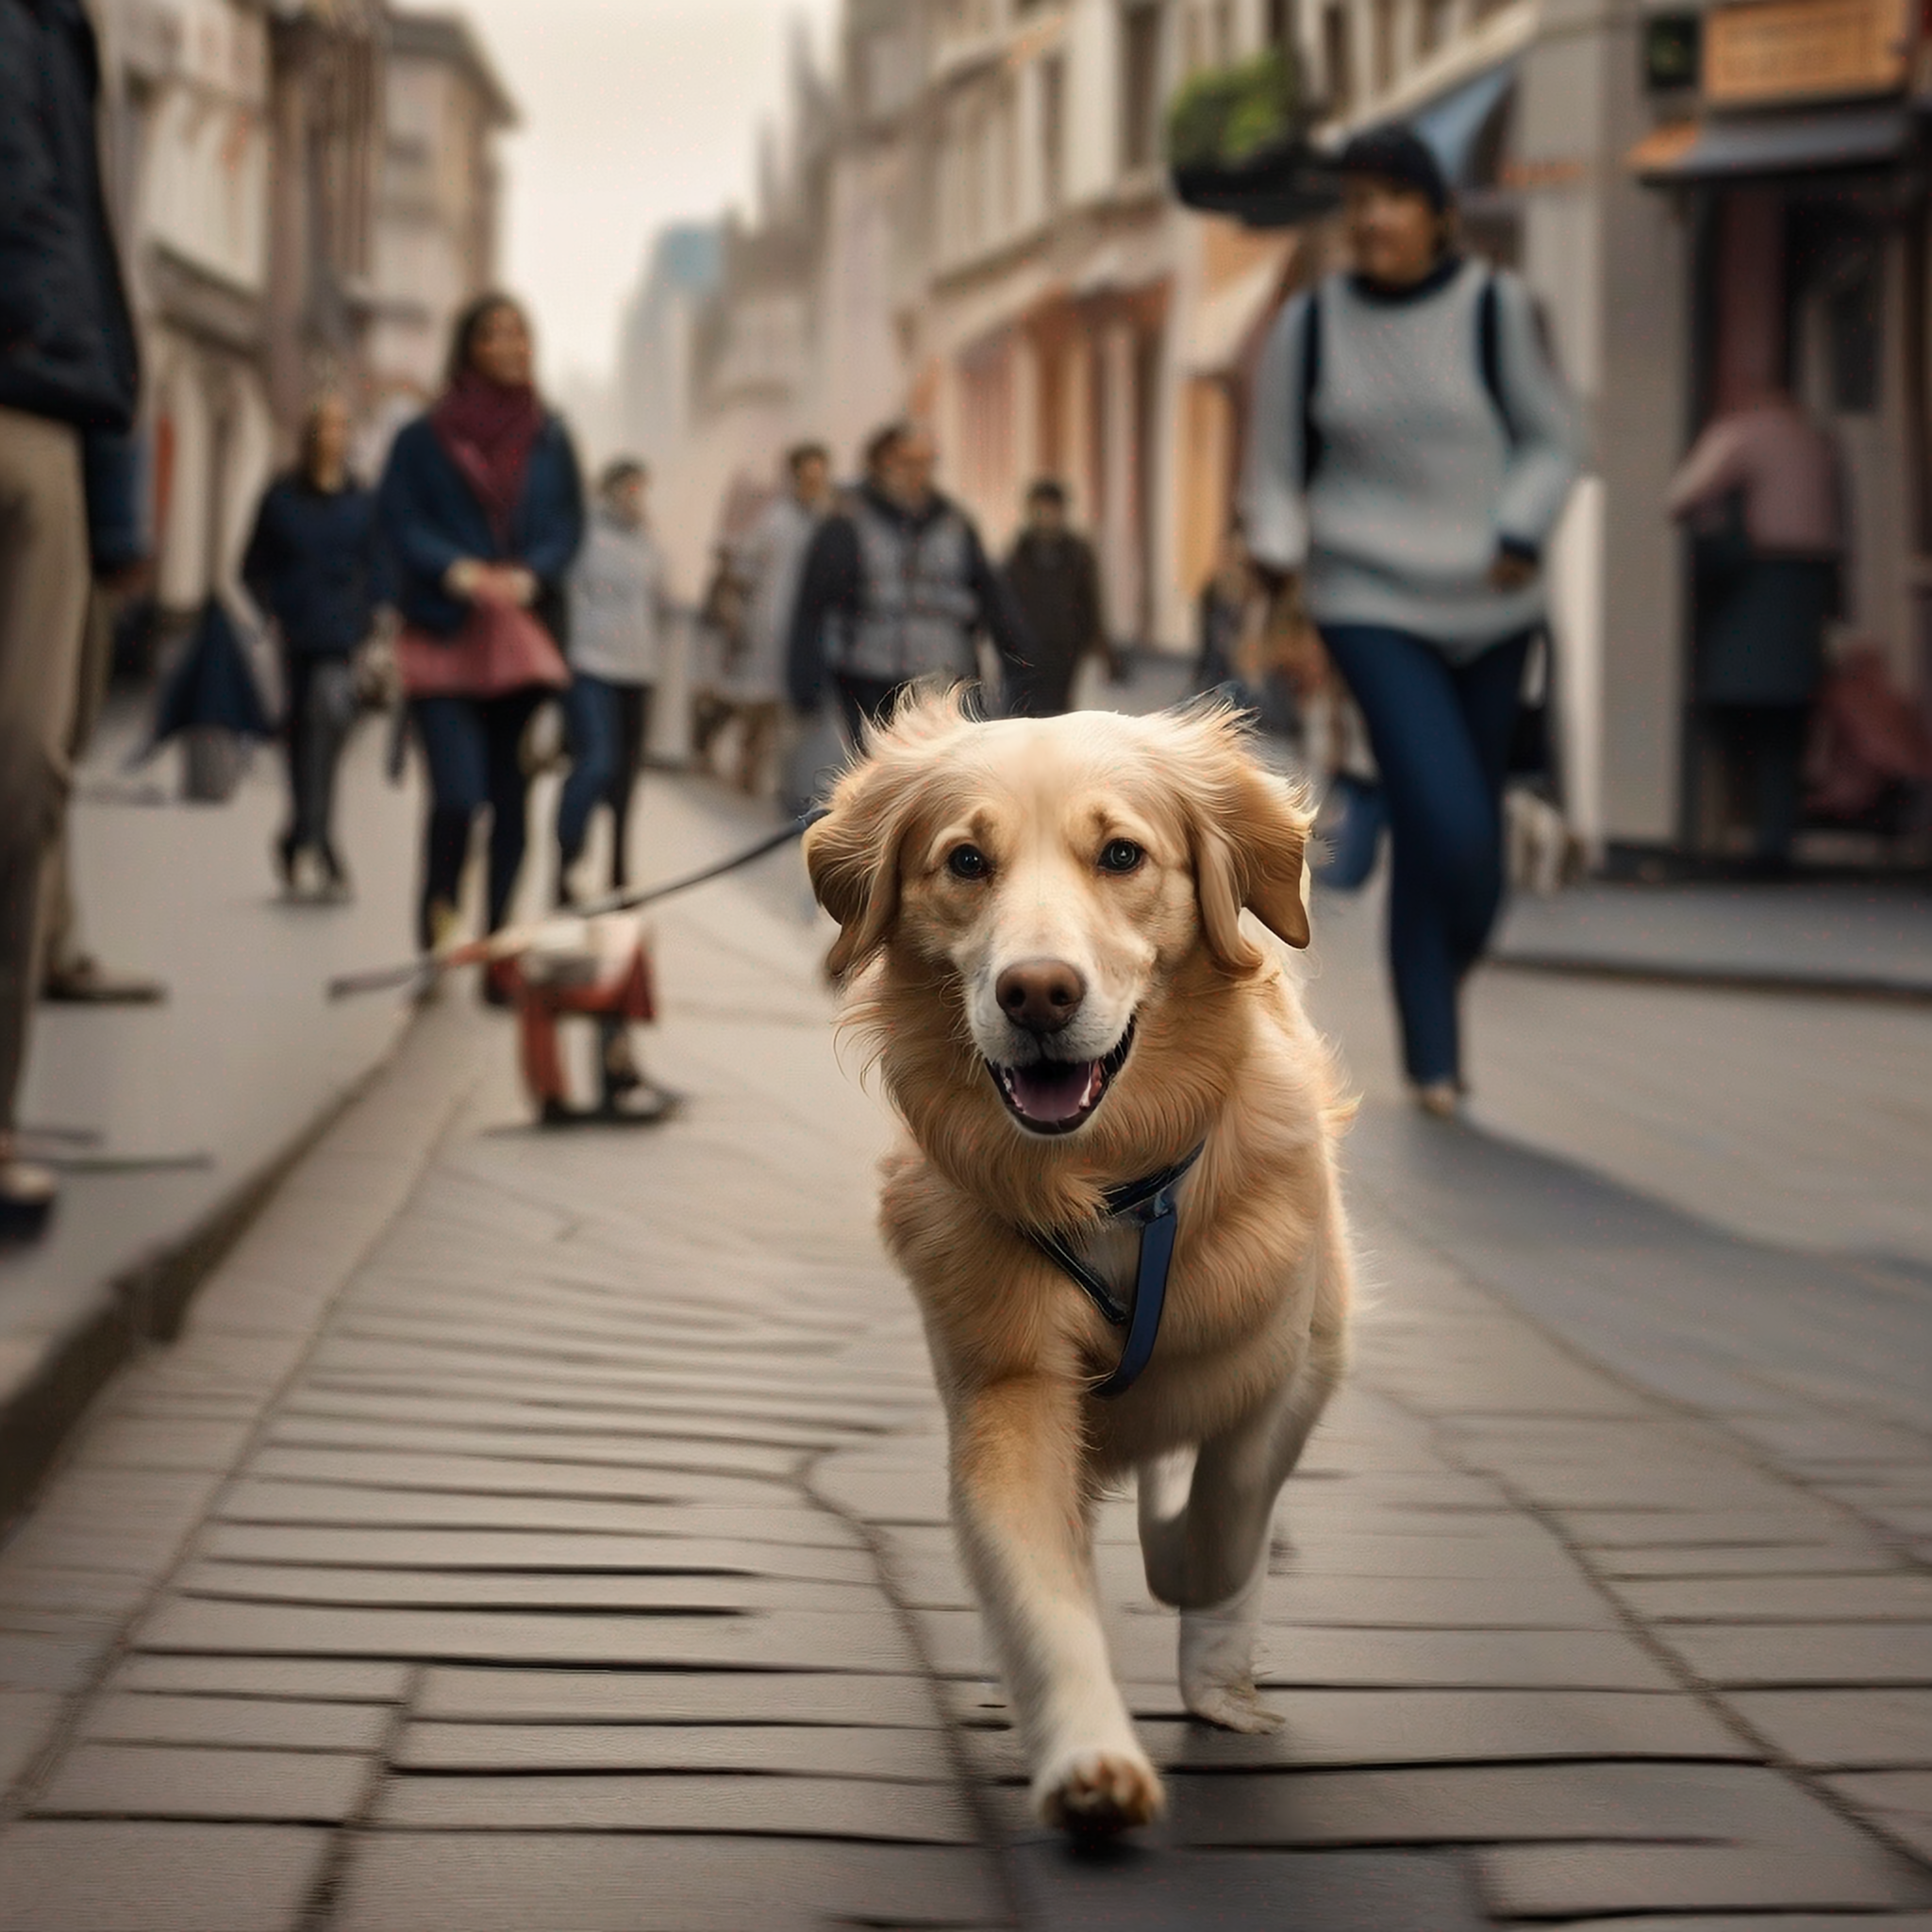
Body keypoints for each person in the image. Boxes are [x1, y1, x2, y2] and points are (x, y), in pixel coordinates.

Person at [1242, 125, 1582, 1117]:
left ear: (1438, 213)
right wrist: (1272, 548)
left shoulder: (1493, 310)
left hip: (1492, 602)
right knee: (1452, 824)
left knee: (1454, 831)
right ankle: (1436, 1028)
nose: (1369, 218)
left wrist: (1519, 525)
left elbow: (1549, 441)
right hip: (1369, 598)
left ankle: (1432, 1056)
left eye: (1391, 197)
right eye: (1354, 201)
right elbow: (1271, 469)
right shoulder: (1307, 327)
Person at [1, 0, 142, 1239]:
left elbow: (80, 239)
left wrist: (115, 495)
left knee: (23, 786)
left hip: (41, 407)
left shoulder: (61, 21)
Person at [377, 293, 585, 967]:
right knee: (457, 799)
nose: (509, 344)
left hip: (520, 641)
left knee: (511, 803)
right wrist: (456, 569)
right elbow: (399, 520)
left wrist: (531, 574)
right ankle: (439, 918)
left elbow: (566, 527)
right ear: (467, 346)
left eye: (519, 333)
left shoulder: (552, 436)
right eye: (493, 333)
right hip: (444, 634)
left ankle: (497, 946)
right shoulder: (422, 437)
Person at [1666, 383, 1842, 866]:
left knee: (1739, 707)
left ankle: (1729, 831)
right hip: (1807, 579)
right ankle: (1773, 835)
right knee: (1786, 720)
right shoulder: (1815, 438)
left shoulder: (1742, 435)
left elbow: (1679, 495)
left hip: (1757, 582)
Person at [787, 422, 1030, 737]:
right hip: (869, 677)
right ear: (881, 463)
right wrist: (805, 686)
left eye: (926, 462)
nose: (918, 472)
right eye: (906, 462)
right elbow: (813, 606)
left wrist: (1020, 664)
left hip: (944, 679)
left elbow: (993, 598)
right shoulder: (846, 523)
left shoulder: (956, 524)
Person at [242, 395, 387, 899]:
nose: (335, 436)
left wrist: (373, 620)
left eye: (342, 426)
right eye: (325, 426)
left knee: (325, 739)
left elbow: (379, 568)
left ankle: (311, 838)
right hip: (295, 639)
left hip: (344, 642)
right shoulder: (281, 497)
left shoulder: (361, 502)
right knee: (304, 742)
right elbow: (252, 566)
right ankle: (309, 837)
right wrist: (271, 611)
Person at [555, 458, 669, 901]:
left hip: (637, 669)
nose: (638, 496)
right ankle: (567, 853)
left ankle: (618, 871)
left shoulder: (648, 541)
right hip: (589, 663)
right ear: (612, 488)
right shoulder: (583, 531)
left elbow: (654, 597)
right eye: (631, 487)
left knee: (626, 778)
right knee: (595, 762)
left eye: (643, 488)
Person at [724, 442, 832, 791]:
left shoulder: (825, 521)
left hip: (807, 627)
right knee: (761, 699)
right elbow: (745, 567)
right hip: (770, 621)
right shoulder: (775, 519)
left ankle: (786, 776)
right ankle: (748, 763)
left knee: (790, 705)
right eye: (808, 473)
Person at [999, 477, 1111, 715]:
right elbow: (1005, 602)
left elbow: (1090, 600)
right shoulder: (1018, 554)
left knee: (1058, 711)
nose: (1046, 515)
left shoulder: (1077, 553)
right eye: (1041, 508)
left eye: (1052, 508)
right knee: (1023, 711)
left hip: (1064, 649)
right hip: (1025, 650)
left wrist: (1098, 643)